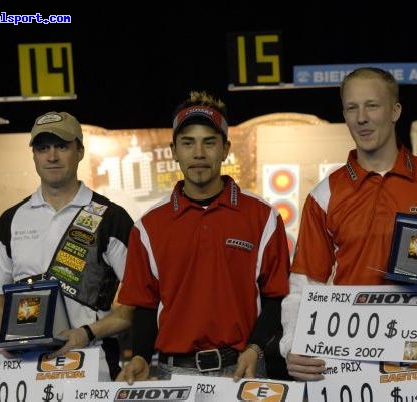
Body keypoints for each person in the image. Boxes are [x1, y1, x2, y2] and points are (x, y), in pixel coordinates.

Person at [279, 68, 417, 397]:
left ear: (395, 111)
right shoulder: (324, 195)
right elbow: (305, 285)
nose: (361, 118)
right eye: (352, 108)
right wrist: (292, 344)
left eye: (372, 106)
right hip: (348, 361)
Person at [116, 90, 291, 383]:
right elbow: (145, 305)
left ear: (225, 149)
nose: (198, 153)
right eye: (188, 143)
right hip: (175, 373)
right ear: (174, 151)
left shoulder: (263, 217)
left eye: (209, 142)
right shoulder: (148, 226)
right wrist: (141, 356)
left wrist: (256, 347)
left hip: (243, 368)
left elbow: (276, 297)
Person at [0, 111, 135, 380]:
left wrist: (87, 333)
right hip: (26, 371)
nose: (52, 156)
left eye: (62, 146)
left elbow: (139, 301)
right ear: (34, 156)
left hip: (91, 367)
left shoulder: (111, 217)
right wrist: (10, 338)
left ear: (81, 151)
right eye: (43, 148)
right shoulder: (11, 219)